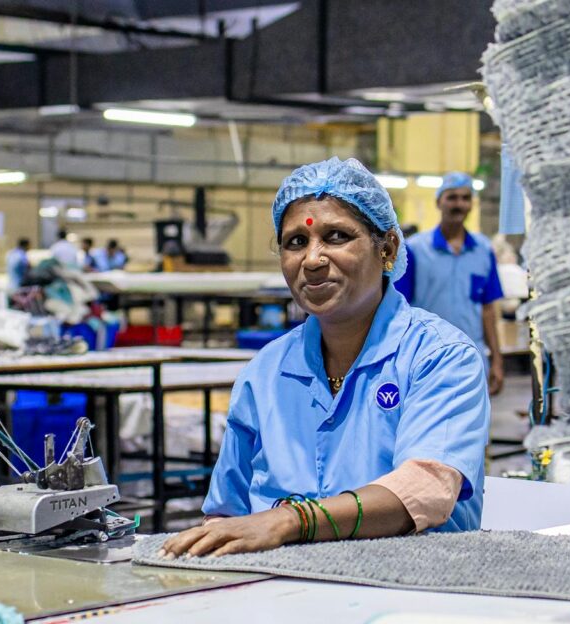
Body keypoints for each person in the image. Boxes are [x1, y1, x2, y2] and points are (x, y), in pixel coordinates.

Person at [160, 157, 490, 559]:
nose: (312, 260)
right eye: (295, 242)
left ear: (387, 248)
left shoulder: (440, 358)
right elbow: (228, 511)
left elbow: (425, 489)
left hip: (412, 591)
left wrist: (289, 522)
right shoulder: (265, 372)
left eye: (335, 237)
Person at [394, 172, 506, 395]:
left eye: (465, 198)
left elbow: (487, 310)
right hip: (425, 355)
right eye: (452, 197)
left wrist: (497, 360)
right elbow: (398, 309)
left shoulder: (483, 250)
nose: (459, 204)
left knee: (472, 426)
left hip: (471, 357)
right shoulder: (415, 250)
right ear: (439, 202)